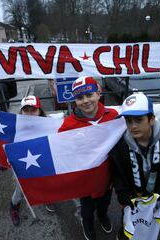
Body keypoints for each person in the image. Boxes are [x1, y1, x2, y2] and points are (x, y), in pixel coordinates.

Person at [108, 92, 160, 240]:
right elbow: (117, 171)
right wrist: (121, 191)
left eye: (139, 120)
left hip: (157, 199)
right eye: (128, 121)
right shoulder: (120, 145)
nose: (133, 126)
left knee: (150, 224)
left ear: (152, 119)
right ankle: (124, 234)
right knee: (127, 221)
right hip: (132, 198)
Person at [58, 76, 118, 240]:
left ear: (98, 93)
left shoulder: (113, 115)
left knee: (105, 203)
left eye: (89, 94)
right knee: (86, 210)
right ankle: (88, 223)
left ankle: (103, 216)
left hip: (107, 176)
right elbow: (61, 151)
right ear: (75, 101)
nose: (85, 101)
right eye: (79, 97)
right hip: (84, 180)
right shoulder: (68, 124)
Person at [9, 95, 48, 226]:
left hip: (43, 163)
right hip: (22, 165)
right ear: (21, 112)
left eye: (33, 110)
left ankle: (48, 198)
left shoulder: (49, 125)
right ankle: (14, 206)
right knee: (21, 189)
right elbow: (6, 147)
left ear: (40, 111)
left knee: (44, 183)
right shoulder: (14, 127)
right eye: (26, 110)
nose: (30, 114)